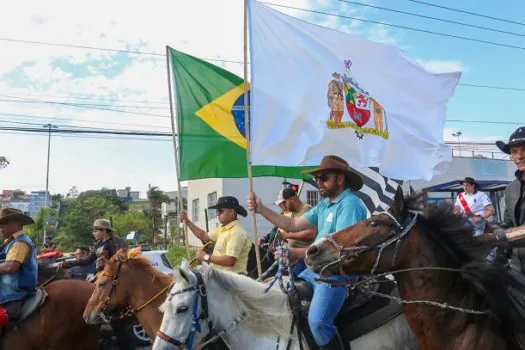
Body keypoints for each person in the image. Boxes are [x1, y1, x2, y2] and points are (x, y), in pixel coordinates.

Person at [248, 155, 367, 350]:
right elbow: (293, 224)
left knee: (318, 322)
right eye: (317, 178)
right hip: (316, 271)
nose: (318, 182)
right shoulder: (324, 205)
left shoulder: (350, 204)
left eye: (324, 177)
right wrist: (261, 209)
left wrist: (296, 253)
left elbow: (342, 250)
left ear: (340, 179)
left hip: (337, 273)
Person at [61, 218, 133, 350]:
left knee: (113, 313)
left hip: (113, 278)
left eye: (96, 230)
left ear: (104, 230)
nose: (93, 233)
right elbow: (87, 260)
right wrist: (67, 263)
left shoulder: (117, 242)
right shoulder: (98, 244)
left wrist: (109, 263)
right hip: (100, 276)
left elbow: (123, 259)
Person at [180, 196, 252, 275]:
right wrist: (187, 221)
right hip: (221, 277)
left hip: (230, 280)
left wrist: (205, 257)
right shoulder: (223, 229)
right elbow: (204, 235)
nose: (217, 214)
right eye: (217, 211)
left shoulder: (236, 232)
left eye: (220, 211)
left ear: (232, 212)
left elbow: (230, 260)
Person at [0, 208, 37, 324]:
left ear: (17, 223)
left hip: (14, 293)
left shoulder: (19, 242)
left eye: (5, 223)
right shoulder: (11, 241)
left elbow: (11, 267)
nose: (1, 226)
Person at [495, 127, 525, 272]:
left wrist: (494, 238)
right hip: (517, 265)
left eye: (524, 149)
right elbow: (508, 224)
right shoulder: (510, 189)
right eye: (514, 151)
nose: (519, 156)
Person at [274, 187, 316, 277]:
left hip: (304, 259)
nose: (283, 206)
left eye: (284, 203)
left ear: (292, 199)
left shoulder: (307, 210)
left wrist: (287, 236)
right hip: (294, 258)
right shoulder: (294, 213)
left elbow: (311, 233)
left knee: (296, 285)